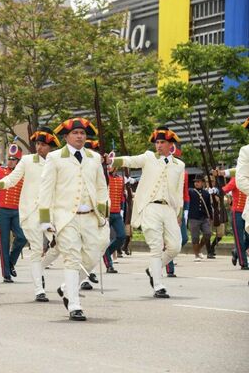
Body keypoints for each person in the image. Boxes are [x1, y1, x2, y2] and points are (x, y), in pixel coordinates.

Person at [39, 118, 109, 321]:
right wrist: (45, 219)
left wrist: (103, 213)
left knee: (92, 255)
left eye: (82, 133)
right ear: (66, 137)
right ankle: (74, 304)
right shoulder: (54, 158)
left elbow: (101, 187)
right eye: (75, 133)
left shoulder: (94, 158)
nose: (80, 136)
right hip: (65, 217)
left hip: (90, 216)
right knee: (71, 258)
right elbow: (46, 189)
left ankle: (66, 288)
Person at [110, 126, 185, 299]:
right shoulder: (149, 158)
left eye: (162, 142)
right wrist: (112, 160)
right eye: (157, 142)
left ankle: (153, 269)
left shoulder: (179, 165)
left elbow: (178, 190)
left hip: (169, 208)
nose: (158, 146)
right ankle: (158, 285)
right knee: (156, 246)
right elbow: (131, 161)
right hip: (150, 206)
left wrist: (179, 213)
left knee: (175, 247)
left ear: (170, 145)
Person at [0, 127, 60, 301]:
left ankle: (40, 268)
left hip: (52, 213)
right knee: (36, 250)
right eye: (37, 143)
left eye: (43, 145)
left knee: (59, 246)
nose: (39, 147)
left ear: (50, 146)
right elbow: (12, 179)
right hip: (30, 212)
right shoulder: (27, 161)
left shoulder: (58, 161)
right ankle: (39, 289)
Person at [0, 143, 27, 283]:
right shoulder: (0, 171)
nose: (10, 161)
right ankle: (6, 273)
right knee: (4, 242)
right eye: (9, 158)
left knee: (22, 237)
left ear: (19, 161)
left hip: (17, 210)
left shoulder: (24, 173)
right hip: (2, 210)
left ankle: (11, 262)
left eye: (13, 159)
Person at [222, 177, 249, 269]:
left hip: (247, 212)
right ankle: (244, 263)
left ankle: (236, 252)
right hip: (237, 212)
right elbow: (225, 189)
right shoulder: (236, 179)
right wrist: (217, 191)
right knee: (239, 238)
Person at [188, 175, 213, 261]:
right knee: (195, 237)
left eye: (198, 181)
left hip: (204, 217)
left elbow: (209, 206)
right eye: (195, 182)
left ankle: (198, 249)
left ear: (202, 183)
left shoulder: (206, 193)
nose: (196, 183)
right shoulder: (190, 191)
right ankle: (196, 255)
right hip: (193, 217)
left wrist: (211, 217)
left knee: (208, 234)